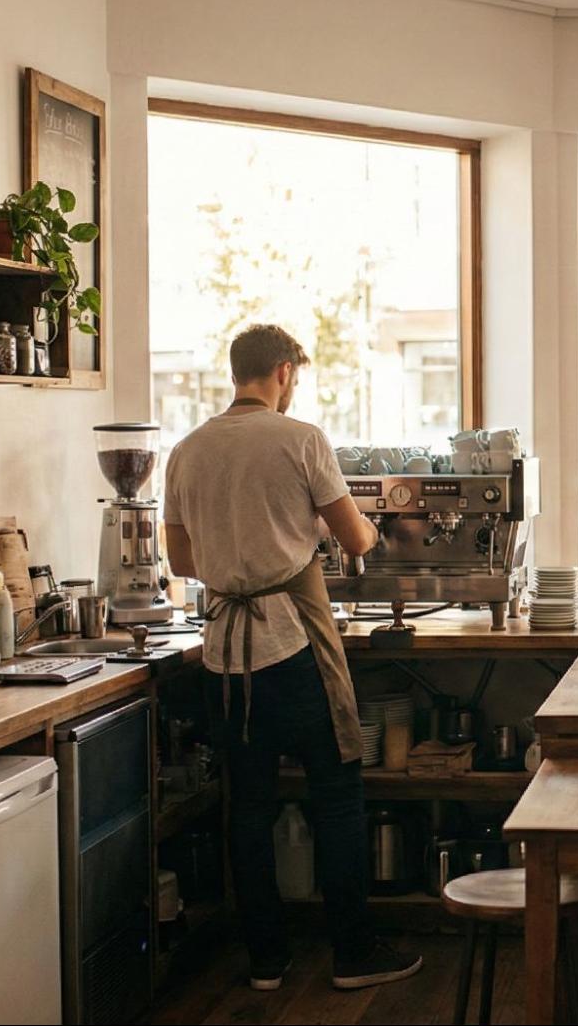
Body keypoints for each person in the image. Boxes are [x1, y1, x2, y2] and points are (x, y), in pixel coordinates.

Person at [164, 324, 422, 990]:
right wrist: (339, 530)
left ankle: (267, 959)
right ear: (281, 371)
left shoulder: (185, 451)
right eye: (295, 378)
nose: (293, 389)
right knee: (336, 793)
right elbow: (356, 537)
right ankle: (353, 952)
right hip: (291, 642)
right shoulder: (300, 438)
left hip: (224, 651)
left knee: (247, 804)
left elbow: (182, 560)